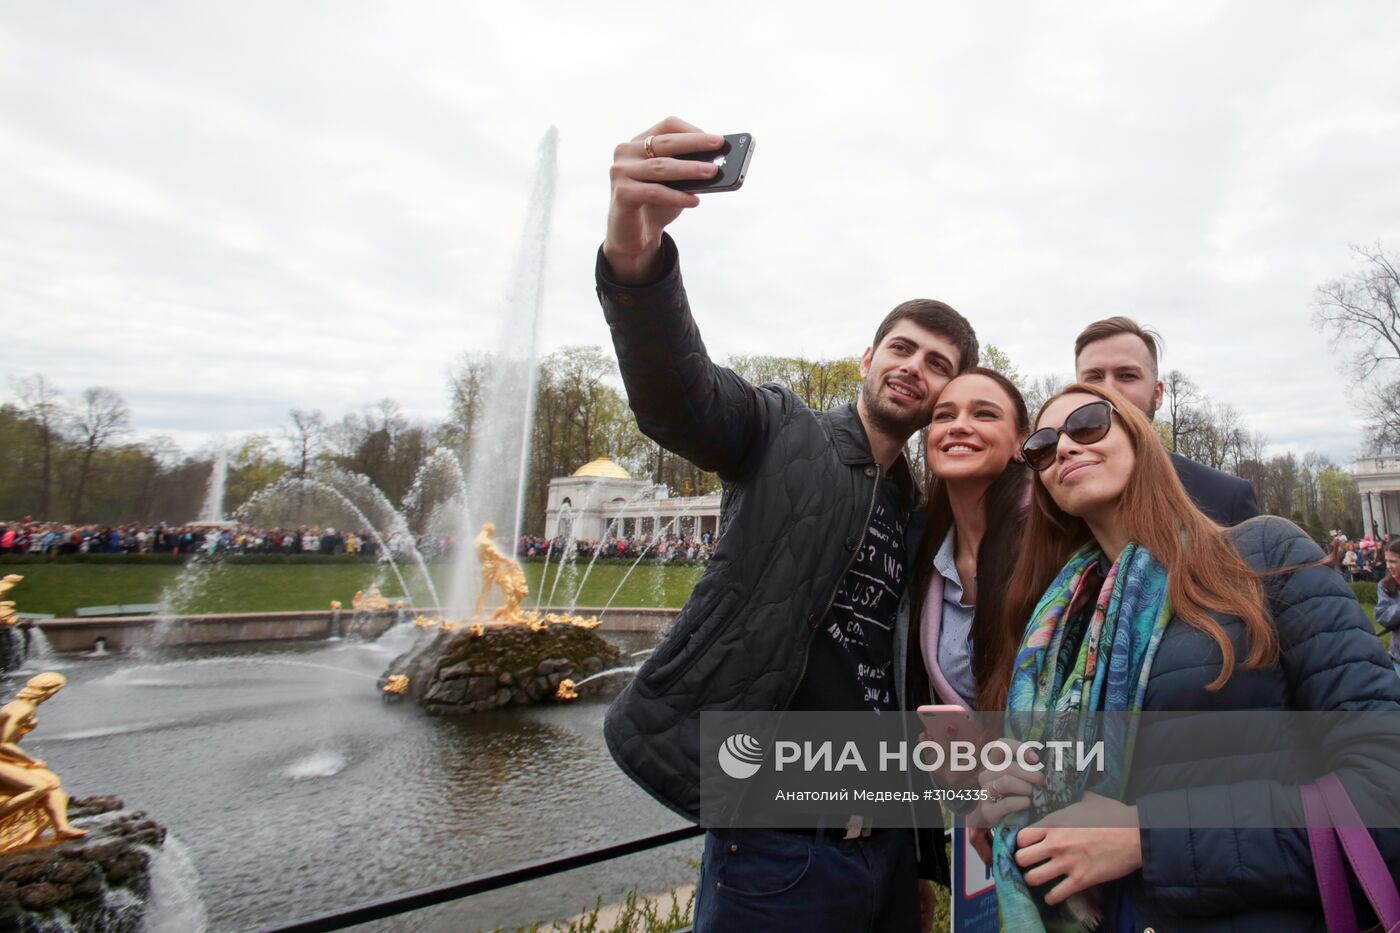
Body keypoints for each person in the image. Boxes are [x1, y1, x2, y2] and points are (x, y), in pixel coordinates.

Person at [597, 116, 978, 932]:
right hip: (778, 843)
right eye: (902, 349)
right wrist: (637, 259)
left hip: (881, 847)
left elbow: (896, 683)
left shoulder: (920, 510)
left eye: (938, 364)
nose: (915, 367)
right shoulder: (781, 431)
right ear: (869, 359)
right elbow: (679, 396)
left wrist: (913, 852)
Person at [971, 382, 1400, 931]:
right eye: (1043, 447)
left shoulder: (1264, 556)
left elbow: (1384, 794)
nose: (1066, 449)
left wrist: (1146, 836)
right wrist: (1010, 809)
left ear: (1140, 439)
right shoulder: (1056, 633)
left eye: (1087, 425)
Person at [913, 368, 1031, 711]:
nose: (959, 425)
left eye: (984, 414)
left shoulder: (1057, 542)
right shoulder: (919, 555)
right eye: (944, 415)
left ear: (1020, 443)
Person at [1074, 316, 1259, 525]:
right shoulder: (1053, 502)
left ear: (1158, 394)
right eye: (1094, 378)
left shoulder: (1225, 499)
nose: (1108, 390)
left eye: (1126, 376)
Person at [1376, 539, 1400, 677]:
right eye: (1387, 561)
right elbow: (1382, 616)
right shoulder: (1385, 585)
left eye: (1394, 561)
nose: (1389, 566)